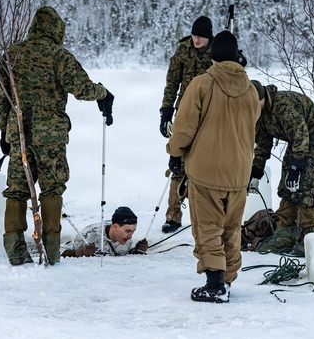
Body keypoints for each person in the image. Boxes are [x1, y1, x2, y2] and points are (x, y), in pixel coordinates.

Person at [0, 6, 114, 266]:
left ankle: (15, 253)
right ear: (57, 31)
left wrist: (6, 131)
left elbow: (1, 98)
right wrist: (102, 93)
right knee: (52, 189)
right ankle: (50, 252)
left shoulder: (12, 55)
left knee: (16, 191)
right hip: (51, 137)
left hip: (21, 135)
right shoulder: (59, 55)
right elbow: (81, 87)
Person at [166, 31, 260, 303]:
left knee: (208, 227)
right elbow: (252, 124)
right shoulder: (251, 89)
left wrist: (175, 152)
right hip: (239, 172)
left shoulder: (202, 84)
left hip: (206, 170)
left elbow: (184, 128)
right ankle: (227, 279)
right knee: (231, 228)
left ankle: (215, 283)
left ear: (213, 54)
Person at [249, 80, 314, 257]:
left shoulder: (283, 105)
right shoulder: (259, 114)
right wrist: (256, 170)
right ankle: (285, 232)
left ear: (262, 98)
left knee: (305, 183)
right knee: (286, 185)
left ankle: (311, 236)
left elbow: (301, 133)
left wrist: (296, 167)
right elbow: (263, 144)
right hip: (297, 142)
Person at [158, 15, 213, 233]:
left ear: (209, 38)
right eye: (194, 35)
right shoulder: (183, 50)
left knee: (206, 166)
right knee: (177, 161)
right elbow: (172, 81)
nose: (196, 40)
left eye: (200, 37)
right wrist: (166, 111)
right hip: (185, 111)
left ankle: (206, 217)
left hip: (210, 114)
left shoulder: (218, 52)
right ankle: (173, 215)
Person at [62, 206, 148, 257]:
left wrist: (135, 252)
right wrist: (80, 253)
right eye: (128, 231)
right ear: (115, 227)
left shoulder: (125, 238)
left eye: (133, 231)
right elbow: (59, 252)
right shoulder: (90, 235)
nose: (130, 236)